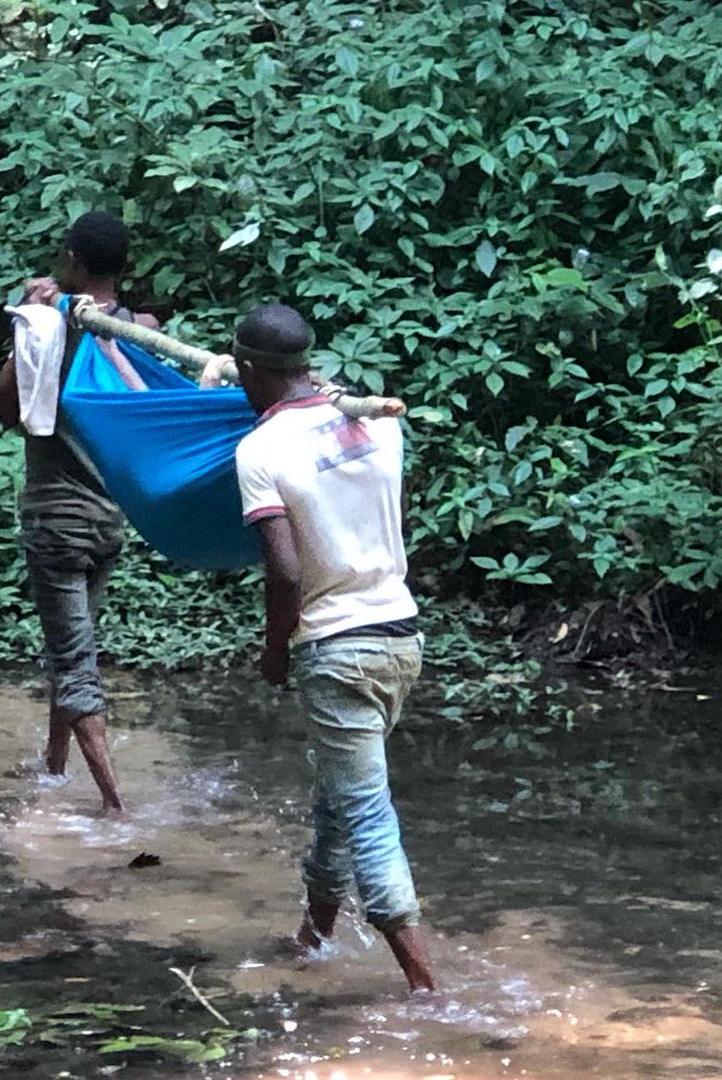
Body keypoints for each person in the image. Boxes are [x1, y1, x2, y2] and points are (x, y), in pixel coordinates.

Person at [231, 303, 437, 993]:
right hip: (400, 637)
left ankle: (427, 990)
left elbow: (286, 572)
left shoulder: (260, 451)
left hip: (337, 650)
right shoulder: (377, 423)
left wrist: (275, 649)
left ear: (253, 370)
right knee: (339, 798)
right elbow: (397, 521)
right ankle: (313, 937)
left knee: (369, 817)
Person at [0, 211, 157, 815]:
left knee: (73, 661)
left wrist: (28, 326)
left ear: (73, 262)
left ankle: (115, 804)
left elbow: (6, 407)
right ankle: (54, 768)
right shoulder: (140, 329)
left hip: (55, 519)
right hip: (108, 521)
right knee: (71, 647)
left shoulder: (52, 330)